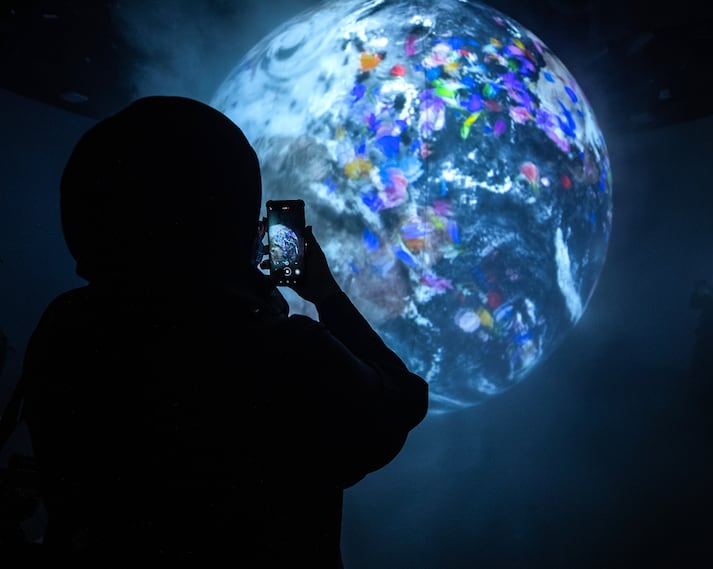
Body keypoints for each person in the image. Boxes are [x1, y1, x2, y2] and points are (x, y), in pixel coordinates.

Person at [17, 96, 428, 568]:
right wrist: (325, 294)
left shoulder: (66, 329)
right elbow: (402, 401)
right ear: (229, 222)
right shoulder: (284, 356)